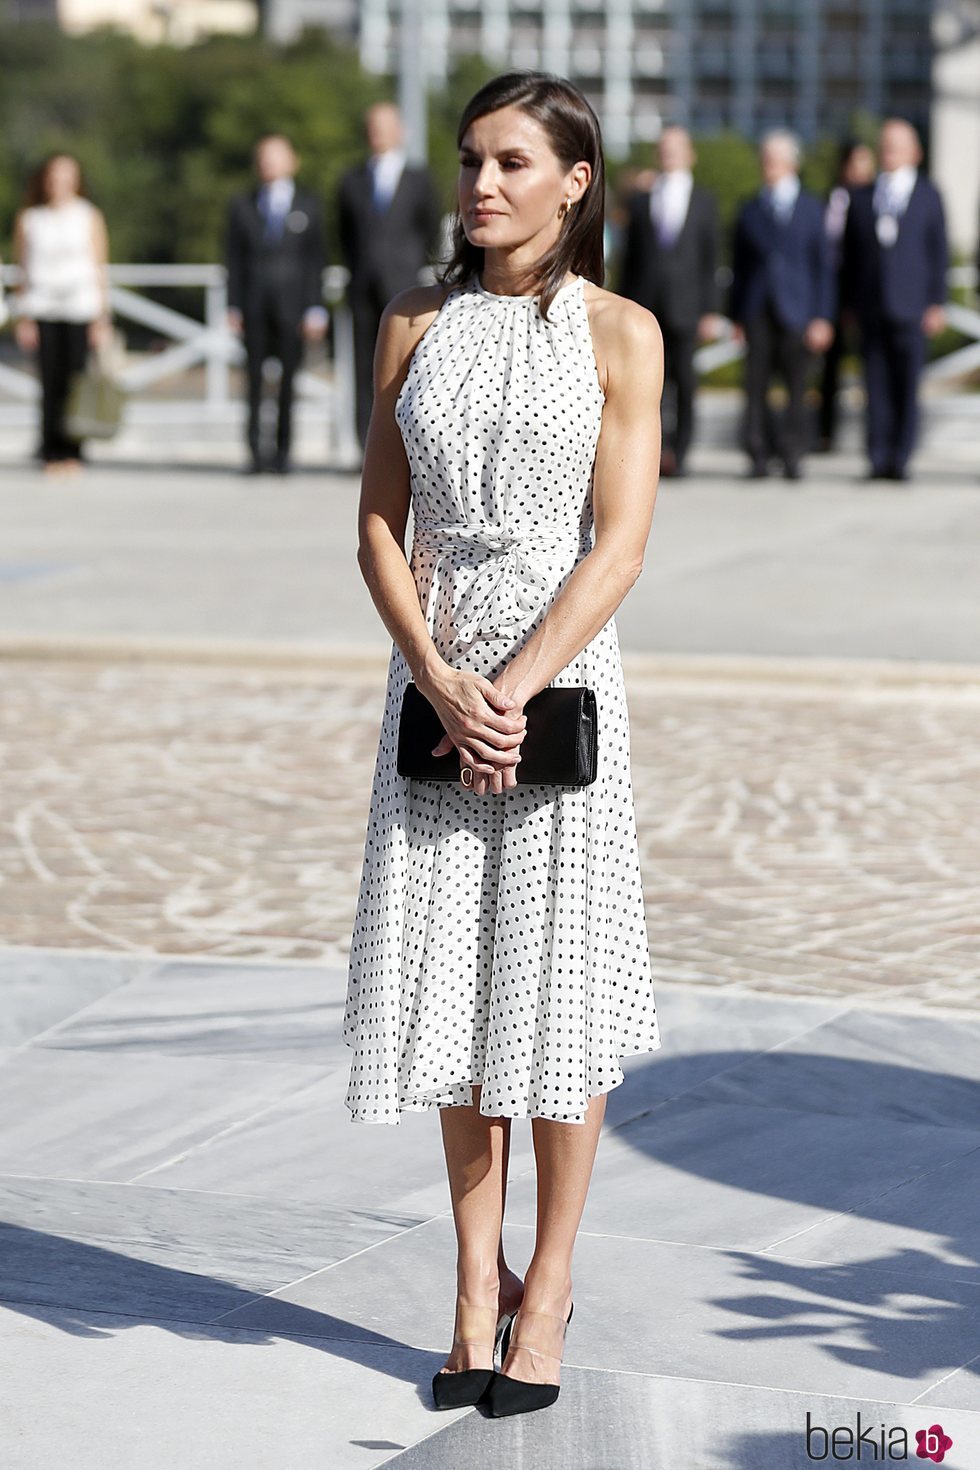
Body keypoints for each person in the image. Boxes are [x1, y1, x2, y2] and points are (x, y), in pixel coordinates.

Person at [343, 71, 664, 1418]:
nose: (482, 184)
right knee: (454, 1001)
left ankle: (556, 1281)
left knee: (556, 993)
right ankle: (476, 1284)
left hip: (558, 681)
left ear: (575, 181)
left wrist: (514, 687)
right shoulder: (412, 319)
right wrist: (437, 672)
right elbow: (374, 518)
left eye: (514, 162)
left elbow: (625, 539)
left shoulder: (623, 333)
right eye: (472, 159)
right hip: (436, 677)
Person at [840, 118, 948, 482]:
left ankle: (900, 458)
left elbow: (938, 252)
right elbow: (850, 257)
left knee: (906, 386)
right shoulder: (861, 196)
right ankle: (877, 456)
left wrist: (936, 302)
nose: (890, 150)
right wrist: (849, 304)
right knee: (874, 387)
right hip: (871, 306)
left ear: (915, 152)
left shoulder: (929, 195)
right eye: (885, 143)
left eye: (898, 144)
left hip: (912, 306)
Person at [336, 101, 443, 450]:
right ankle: (365, 448)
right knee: (364, 369)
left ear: (401, 131)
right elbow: (343, 233)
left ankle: (405, 445)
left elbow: (429, 228)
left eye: (384, 125)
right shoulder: (350, 180)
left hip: (405, 285)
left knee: (409, 367)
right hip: (363, 285)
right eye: (372, 125)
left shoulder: (419, 179)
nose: (377, 132)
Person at [730, 130, 835, 480]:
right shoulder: (750, 208)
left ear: (791, 163)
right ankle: (758, 452)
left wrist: (822, 316)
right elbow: (739, 268)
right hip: (758, 309)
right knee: (755, 386)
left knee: (796, 387)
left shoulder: (812, 208)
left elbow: (824, 266)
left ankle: (792, 453)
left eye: (774, 159)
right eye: (765, 158)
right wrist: (736, 316)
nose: (768, 165)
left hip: (798, 310)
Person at [618, 125, 721, 477]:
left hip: (687, 306)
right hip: (646, 305)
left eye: (676, 148)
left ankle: (682, 451)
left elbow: (711, 259)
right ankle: (652, 455)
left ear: (690, 154)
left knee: (685, 383)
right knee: (648, 386)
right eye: (664, 148)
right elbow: (629, 259)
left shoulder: (706, 200)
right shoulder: (640, 199)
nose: (669, 154)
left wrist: (710, 309)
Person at [225, 133, 328, 475]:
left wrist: (315, 307)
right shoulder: (243, 204)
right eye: (263, 156)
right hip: (254, 305)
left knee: (288, 382)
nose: (268, 162)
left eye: (276, 155)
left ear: (292, 161)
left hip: (293, 306)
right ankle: (255, 452)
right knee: (253, 381)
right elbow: (234, 260)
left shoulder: (309, 204)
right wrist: (233, 305)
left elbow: (316, 260)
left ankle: (283, 452)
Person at [12, 153, 111, 475]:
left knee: (75, 381)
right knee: (49, 383)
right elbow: (21, 271)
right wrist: (23, 317)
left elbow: (99, 268)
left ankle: (74, 450)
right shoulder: (30, 218)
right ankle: (50, 449)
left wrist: (102, 317)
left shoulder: (88, 216)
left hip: (79, 307)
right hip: (42, 307)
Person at [817, 139, 876, 452]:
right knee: (829, 367)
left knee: (872, 366)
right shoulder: (832, 198)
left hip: (863, 293)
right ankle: (825, 433)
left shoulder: (875, 199)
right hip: (831, 292)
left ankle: (875, 437)